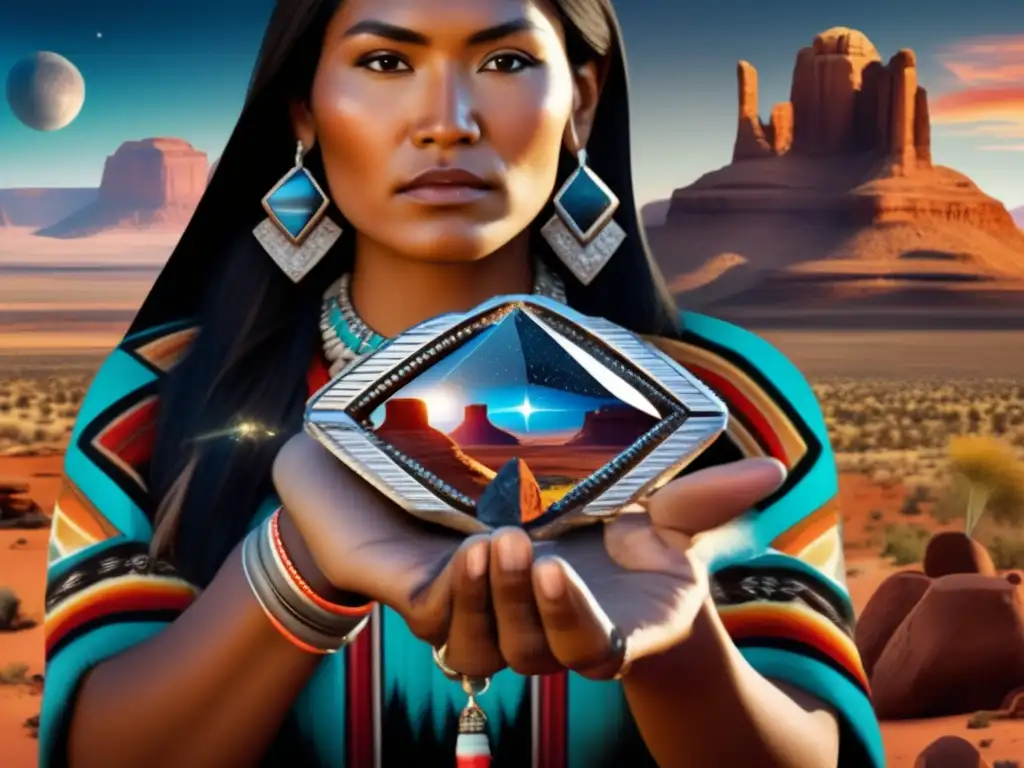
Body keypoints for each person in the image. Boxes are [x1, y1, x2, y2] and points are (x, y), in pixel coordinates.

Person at [38, 0, 885, 766]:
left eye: (506, 61)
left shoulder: (731, 404)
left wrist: (679, 648)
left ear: (581, 100)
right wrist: (296, 566)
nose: (447, 122)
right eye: (386, 63)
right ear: (304, 109)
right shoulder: (157, 402)